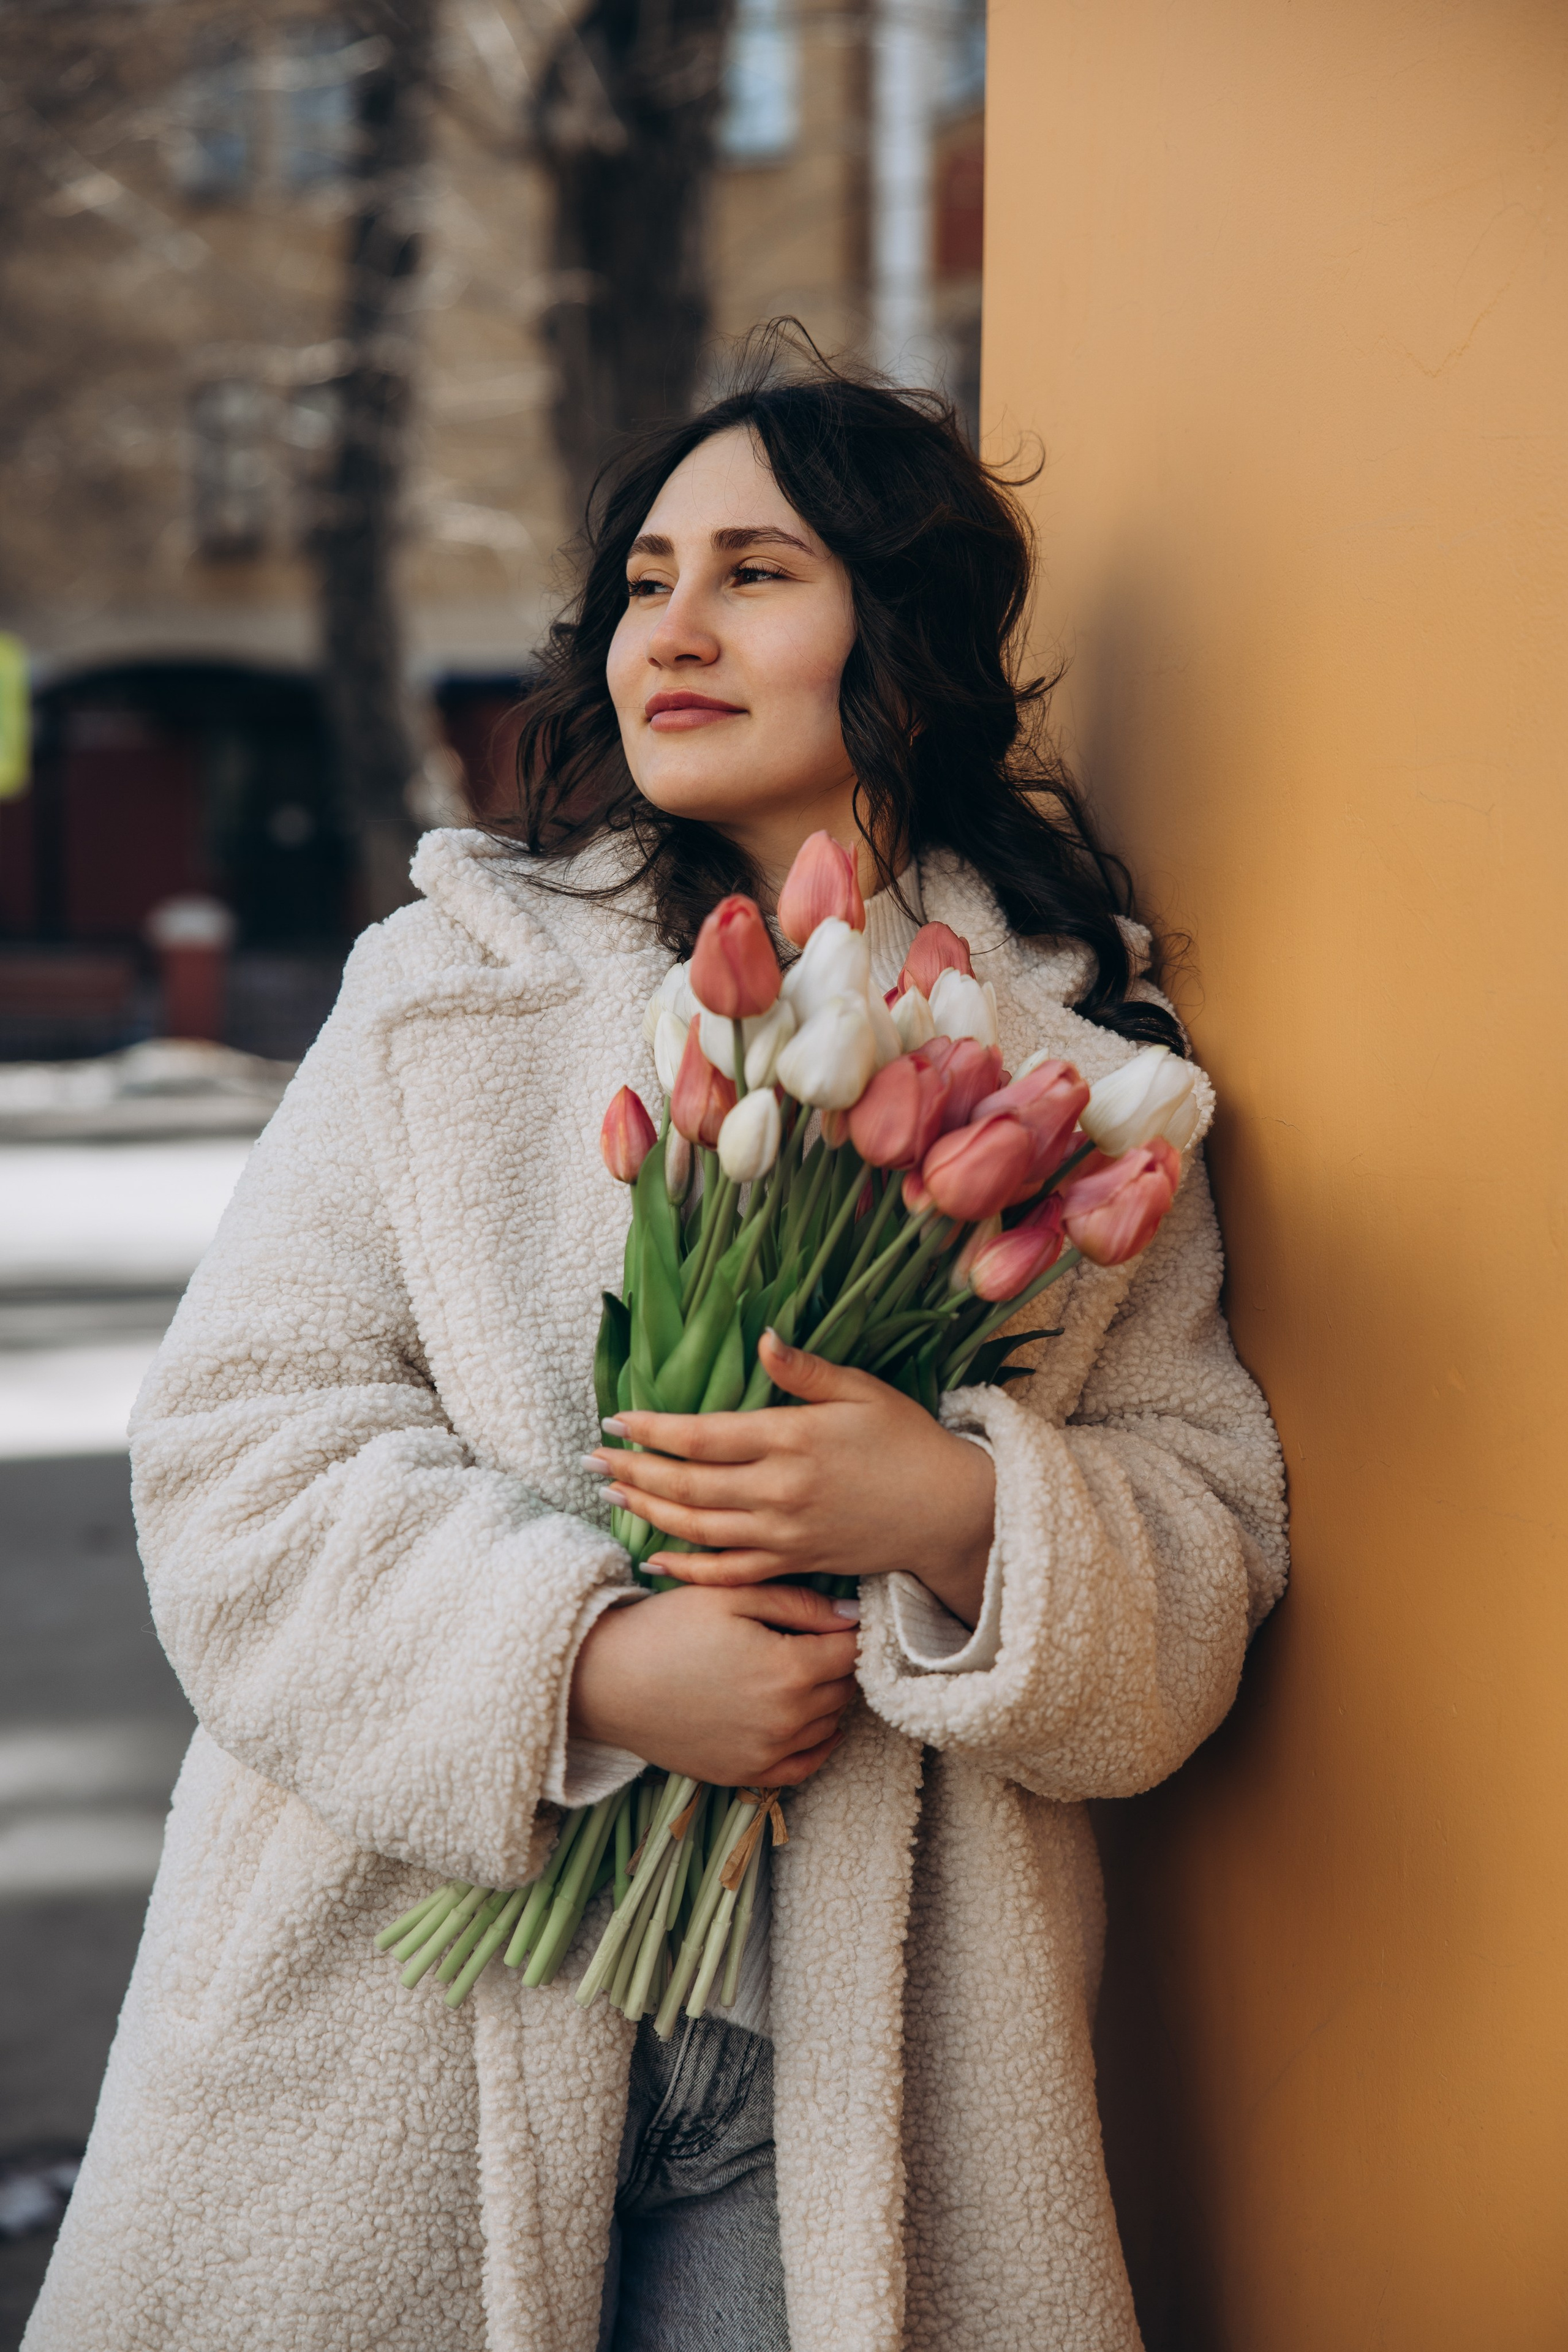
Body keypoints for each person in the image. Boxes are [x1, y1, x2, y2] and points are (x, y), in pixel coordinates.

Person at [25, 331, 1286, 2352]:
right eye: (643, 581)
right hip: (396, 2023)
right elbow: (240, 1450)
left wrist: (961, 1512)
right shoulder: (451, 996)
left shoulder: (1082, 1067)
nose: (671, 630)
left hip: (858, 2068)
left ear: (909, 640)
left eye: (756, 574)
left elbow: (1208, 1544)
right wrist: (596, 1662)